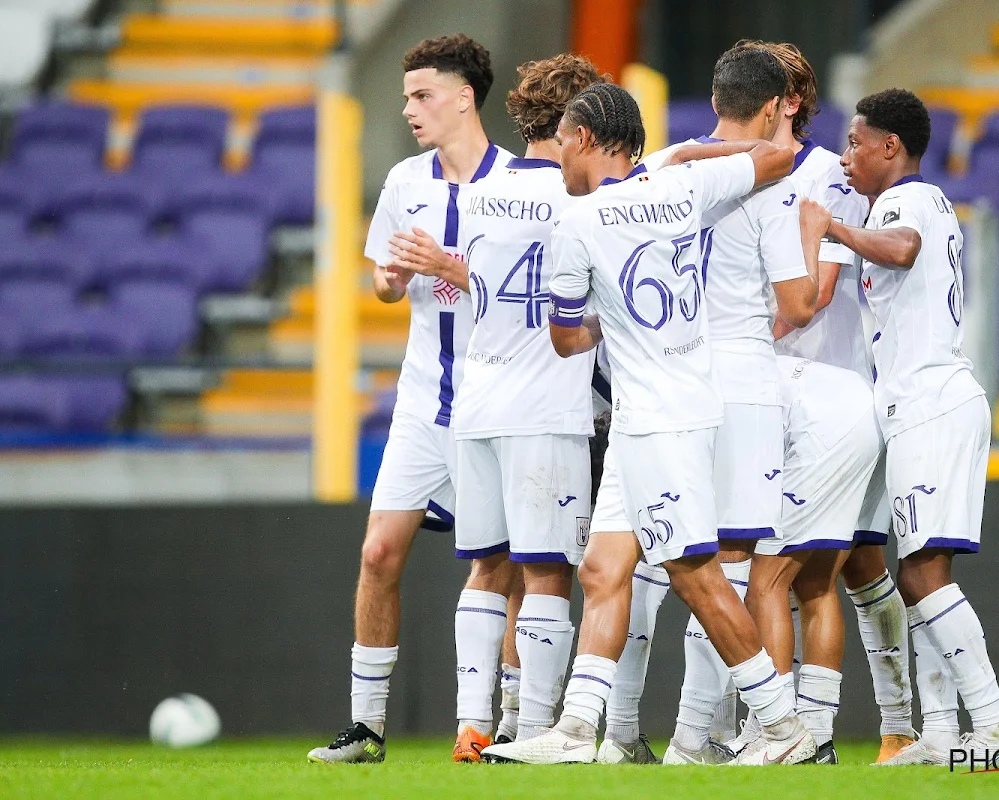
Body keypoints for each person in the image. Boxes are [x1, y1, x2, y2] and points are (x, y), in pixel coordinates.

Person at [479, 83, 813, 766]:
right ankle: (576, 731)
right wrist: (704, 151)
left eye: (564, 145)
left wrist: (606, 316)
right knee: (605, 568)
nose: (560, 162)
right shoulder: (685, 186)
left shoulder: (580, 222)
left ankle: (784, 729)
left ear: (579, 140)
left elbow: (567, 341)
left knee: (695, 573)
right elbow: (776, 156)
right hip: (676, 406)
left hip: (658, 418)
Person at [307, 33, 515, 764]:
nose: (410, 109)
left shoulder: (521, 186)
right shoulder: (404, 183)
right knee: (377, 553)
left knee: (503, 566)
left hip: (496, 404)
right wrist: (393, 281)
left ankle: (498, 722)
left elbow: (526, 301)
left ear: (464, 97)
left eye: (422, 95)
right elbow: (385, 282)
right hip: (424, 403)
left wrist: (451, 265)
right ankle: (366, 728)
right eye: (406, 96)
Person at [800, 87, 999, 764]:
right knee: (917, 567)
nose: (847, 157)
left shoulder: (909, 199)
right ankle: (941, 732)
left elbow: (898, 249)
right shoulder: (900, 201)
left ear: (890, 147)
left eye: (856, 143)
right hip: (914, 404)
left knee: (925, 572)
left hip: (932, 400)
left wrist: (831, 227)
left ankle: (995, 725)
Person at [611, 42, 818, 765]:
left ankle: (628, 729)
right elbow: (796, 300)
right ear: (772, 108)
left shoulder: (665, 165)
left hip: (675, 379)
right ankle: (697, 739)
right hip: (745, 379)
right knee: (730, 562)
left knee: (673, 558)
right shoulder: (773, 185)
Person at [734, 39, 915, 765]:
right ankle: (845, 729)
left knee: (805, 571)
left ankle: (805, 731)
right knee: (839, 573)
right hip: (780, 397)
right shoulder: (743, 173)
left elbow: (812, 297)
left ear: (784, 102)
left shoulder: (824, 178)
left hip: (828, 397)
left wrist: (737, 338)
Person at [449, 54, 605, 760]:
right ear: (580, 123)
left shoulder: (476, 193)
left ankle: (474, 722)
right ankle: (537, 726)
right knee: (547, 569)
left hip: (477, 403)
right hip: (547, 406)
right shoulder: (582, 203)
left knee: (487, 567)